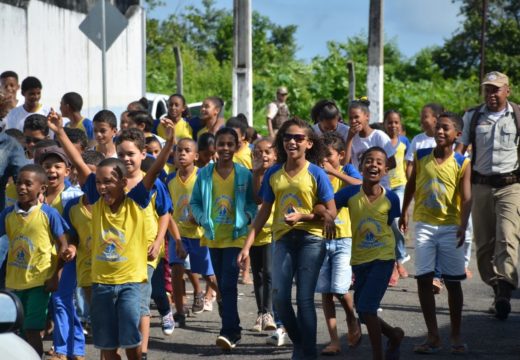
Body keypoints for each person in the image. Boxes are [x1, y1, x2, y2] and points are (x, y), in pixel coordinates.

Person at [48, 110, 175, 360]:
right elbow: (81, 166)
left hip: (130, 282)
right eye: (99, 183)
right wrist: (60, 132)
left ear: (123, 183)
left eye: (108, 182)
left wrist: (169, 142)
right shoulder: (96, 201)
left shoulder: (135, 200)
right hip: (101, 283)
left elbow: (153, 172)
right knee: (106, 348)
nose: (103, 187)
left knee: (132, 347)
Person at [238, 118, 336, 359]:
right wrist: (247, 245)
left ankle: (307, 353)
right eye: (287, 137)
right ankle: (301, 343)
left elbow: (331, 212)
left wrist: (305, 216)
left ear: (309, 144)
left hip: (311, 240)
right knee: (280, 298)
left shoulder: (316, 173)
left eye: (299, 138)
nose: (292, 141)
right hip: (282, 239)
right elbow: (263, 211)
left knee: (304, 299)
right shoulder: (274, 173)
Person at [400, 112, 471, 354]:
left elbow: (467, 197)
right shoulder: (421, 156)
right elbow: (411, 185)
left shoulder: (462, 162)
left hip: (450, 227)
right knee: (423, 278)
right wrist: (404, 211)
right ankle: (432, 336)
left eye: (446, 129)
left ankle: (456, 333)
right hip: (424, 225)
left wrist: (463, 224)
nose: (440, 132)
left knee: (453, 282)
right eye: (438, 128)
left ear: (457, 135)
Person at [455, 71, 520, 320]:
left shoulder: (517, 115)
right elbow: (460, 153)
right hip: (480, 186)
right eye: (487, 89)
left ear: (507, 91)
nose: (491, 94)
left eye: (496, 89)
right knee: (484, 247)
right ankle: (497, 287)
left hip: (510, 186)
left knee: (508, 238)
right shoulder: (473, 116)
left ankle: (504, 289)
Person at [190, 127, 257, 350]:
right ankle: (233, 328)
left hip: (236, 237)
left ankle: (229, 332)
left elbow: (252, 203)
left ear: (237, 146)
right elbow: (195, 202)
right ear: (215, 147)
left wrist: (247, 216)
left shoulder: (244, 174)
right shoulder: (205, 174)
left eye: (230, 144)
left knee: (228, 284)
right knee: (222, 286)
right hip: (213, 238)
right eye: (222, 144)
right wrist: (201, 219)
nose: (226, 148)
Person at [335, 147, 404, 360]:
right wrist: (324, 217)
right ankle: (394, 334)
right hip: (359, 259)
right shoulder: (349, 194)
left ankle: (378, 356)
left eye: (379, 162)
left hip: (383, 258)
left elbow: (391, 227)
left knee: (366, 307)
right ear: (361, 166)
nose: (373, 164)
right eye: (369, 161)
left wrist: (398, 261)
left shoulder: (391, 198)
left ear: (385, 171)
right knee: (364, 312)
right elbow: (329, 207)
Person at [0, 164, 73, 357]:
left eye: (27, 184)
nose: (22, 187)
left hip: (39, 283)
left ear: (41, 188)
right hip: (14, 283)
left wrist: (56, 275)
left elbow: (63, 246)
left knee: (32, 329)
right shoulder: (8, 214)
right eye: (18, 183)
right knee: (18, 331)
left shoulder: (48, 214)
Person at [317, 133, 362, 356]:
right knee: (325, 291)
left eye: (329, 156)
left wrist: (334, 172)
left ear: (341, 155)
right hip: (321, 238)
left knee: (340, 288)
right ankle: (334, 339)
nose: (324, 161)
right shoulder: (316, 174)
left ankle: (352, 318)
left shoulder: (347, 171)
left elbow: (362, 184)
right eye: (321, 156)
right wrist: (322, 212)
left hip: (345, 238)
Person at [166, 138, 219, 327]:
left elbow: (211, 204)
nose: (182, 154)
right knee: (176, 269)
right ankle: (180, 311)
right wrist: (175, 237)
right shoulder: (170, 179)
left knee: (208, 275)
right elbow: (168, 210)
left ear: (195, 156)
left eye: (187, 150)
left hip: (200, 234)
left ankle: (222, 300)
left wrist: (199, 216)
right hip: (178, 233)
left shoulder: (203, 177)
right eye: (178, 150)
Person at [248, 137, 277, 332]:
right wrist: (257, 173)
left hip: (272, 230)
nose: (263, 156)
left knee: (269, 273)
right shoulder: (250, 175)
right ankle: (261, 313)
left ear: (275, 155)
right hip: (253, 231)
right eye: (258, 152)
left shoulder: (277, 174)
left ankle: (269, 313)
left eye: (267, 152)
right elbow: (255, 198)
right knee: (257, 274)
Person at [383, 110, 411, 283]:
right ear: (385, 124)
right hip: (385, 187)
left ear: (400, 125)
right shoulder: (382, 141)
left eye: (396, 122)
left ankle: (400, 257)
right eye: (390, 122)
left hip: (401, 186)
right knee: (387, 224)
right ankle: (394, 261)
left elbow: (409, 164)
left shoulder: (405, 142)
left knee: (396, 221)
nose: (393, 125)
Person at [345, 99, 396, 188]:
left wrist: (373, 172)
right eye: (350, 118)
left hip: (381, 188)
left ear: (367, 116)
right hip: (360, 189)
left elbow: (392, 163)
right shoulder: (351, 137)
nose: (353, 121)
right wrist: (349, 138)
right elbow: (345, 164)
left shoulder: (379, 136)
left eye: (356, 117)